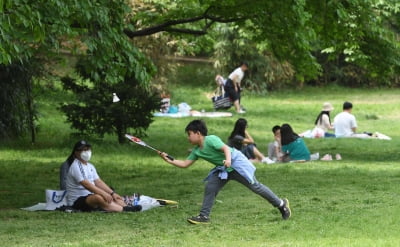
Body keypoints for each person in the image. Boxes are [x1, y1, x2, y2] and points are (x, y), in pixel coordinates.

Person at [159, 119, 291, 224]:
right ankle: (204, 216)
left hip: (236, 163)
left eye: (189, 134)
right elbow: (184, 164)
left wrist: (228, 160)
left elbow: (226, 149)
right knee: (210, 186)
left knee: (255, 187)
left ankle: (281, 204)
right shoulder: (197, 151)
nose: (188, 138)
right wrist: (168, 160)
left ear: (198, 133)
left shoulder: (211, 139)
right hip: (223, 168)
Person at [65, 140, 141, 212]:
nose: (86, 152)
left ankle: (127, 207)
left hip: (90, 196)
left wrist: (112, 193)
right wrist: (103, 193)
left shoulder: (90, 166)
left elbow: (98, 181)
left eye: (87, 149)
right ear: (76, 152)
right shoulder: (76, 166)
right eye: (83, 150)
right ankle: (123, 210)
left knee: (113, 195)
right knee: (98, 197)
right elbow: (86, 184)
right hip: (77, 200)